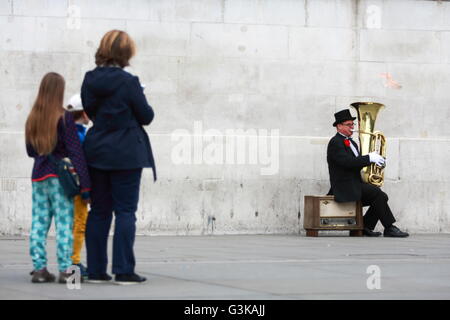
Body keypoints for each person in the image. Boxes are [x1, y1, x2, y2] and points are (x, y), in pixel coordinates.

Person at [81, 30, 156, 285]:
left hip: (97, 150)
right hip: (126, 153)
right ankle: (124, 271)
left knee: (99, 211)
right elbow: (146, 116)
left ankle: (96, 271)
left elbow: (89, 111)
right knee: (125, 212)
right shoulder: (129, 82)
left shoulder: (89, 79)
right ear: (126, 53)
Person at [25, 72, 91, 284]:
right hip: (60, 179)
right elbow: (75, 152)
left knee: (38, 223)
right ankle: (66, 271)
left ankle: (39, 269)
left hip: (38, 176)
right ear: (59, 91)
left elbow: (30, 151)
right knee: (64, 224)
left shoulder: (32, 118)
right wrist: (86, 184)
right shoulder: (64, 118)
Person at [326, 109, 409, 237]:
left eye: (352, 124)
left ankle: (365, 226)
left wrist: (376, 162)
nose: (352, 127)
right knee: (377, 194)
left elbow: (356, 163)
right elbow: (347, 162)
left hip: (354, 185)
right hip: (344, 188)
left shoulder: (352, 143)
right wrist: (369, 158)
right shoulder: (335, 142)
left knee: (382, 196)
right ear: (339, 126)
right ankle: (389, 227)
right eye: (348, 125)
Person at [66, 93, 90, 278]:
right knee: (79, 224)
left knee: (68, 224)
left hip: (66, 184)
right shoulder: (80, 135)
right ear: (85, 113)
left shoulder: (65, 131)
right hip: (78, 185)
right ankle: (74, 262)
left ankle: (68, 260)